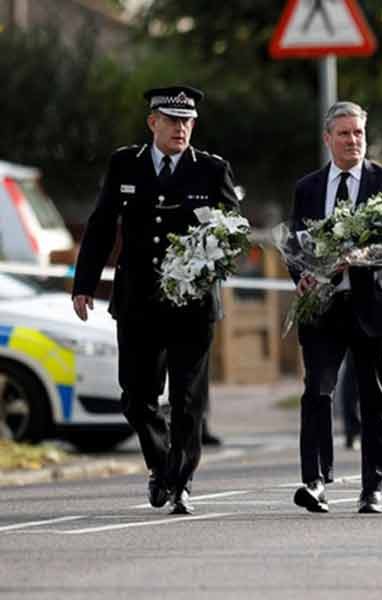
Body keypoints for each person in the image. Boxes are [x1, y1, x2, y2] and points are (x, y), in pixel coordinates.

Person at [72, 85, 241, 515]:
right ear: (153, 123)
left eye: (188, 122)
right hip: (138, 300)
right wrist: (84, 284)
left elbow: (234, 232)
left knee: (187, 399)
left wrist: (212, 263)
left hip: (193, 305)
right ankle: (160, 463)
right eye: (172, 121)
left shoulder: (212, 169)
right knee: (136, 396)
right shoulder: (124, 163)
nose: (181, 129)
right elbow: (101, 225)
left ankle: (179, 481)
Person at [289, 101, 382, 515]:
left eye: (358, 133)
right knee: (317, 392)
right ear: (328, 139)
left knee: (374, 397)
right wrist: (303, 275)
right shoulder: (308, 187)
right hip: (324, 308)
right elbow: (295, 246)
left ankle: (372, 488)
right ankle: (315, 481)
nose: (352, 140)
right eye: (343, 133)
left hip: (374, 304)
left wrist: (359, 255)